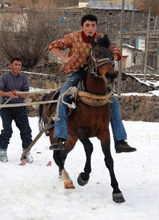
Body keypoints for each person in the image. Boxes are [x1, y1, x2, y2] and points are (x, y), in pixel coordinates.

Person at [48, 14, 136, 153]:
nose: (90, 28)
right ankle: (59, 137)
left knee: (113, 101)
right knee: (63, 98)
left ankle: (120, 141)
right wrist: (64, 58)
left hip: (95, 76)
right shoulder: (73, 37)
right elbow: (53, 46)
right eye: (87, 25)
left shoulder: (101, 38)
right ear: (82, 26)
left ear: (96, 26)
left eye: (93, 25)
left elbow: (115, 50)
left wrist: (114, 55)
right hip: (75, 73)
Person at [0, 58, 33, 163]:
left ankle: (26, 153)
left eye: (19, 65)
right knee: (7, 130)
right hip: (6, 107)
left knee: (26, 130)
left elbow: (26, 93)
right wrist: (9, 94)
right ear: (11, 65)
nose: (17, 67)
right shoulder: (5, 77)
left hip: (20, 107)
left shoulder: (24, 79)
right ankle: (2, 153)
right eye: (15, 64)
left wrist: (19, 93)